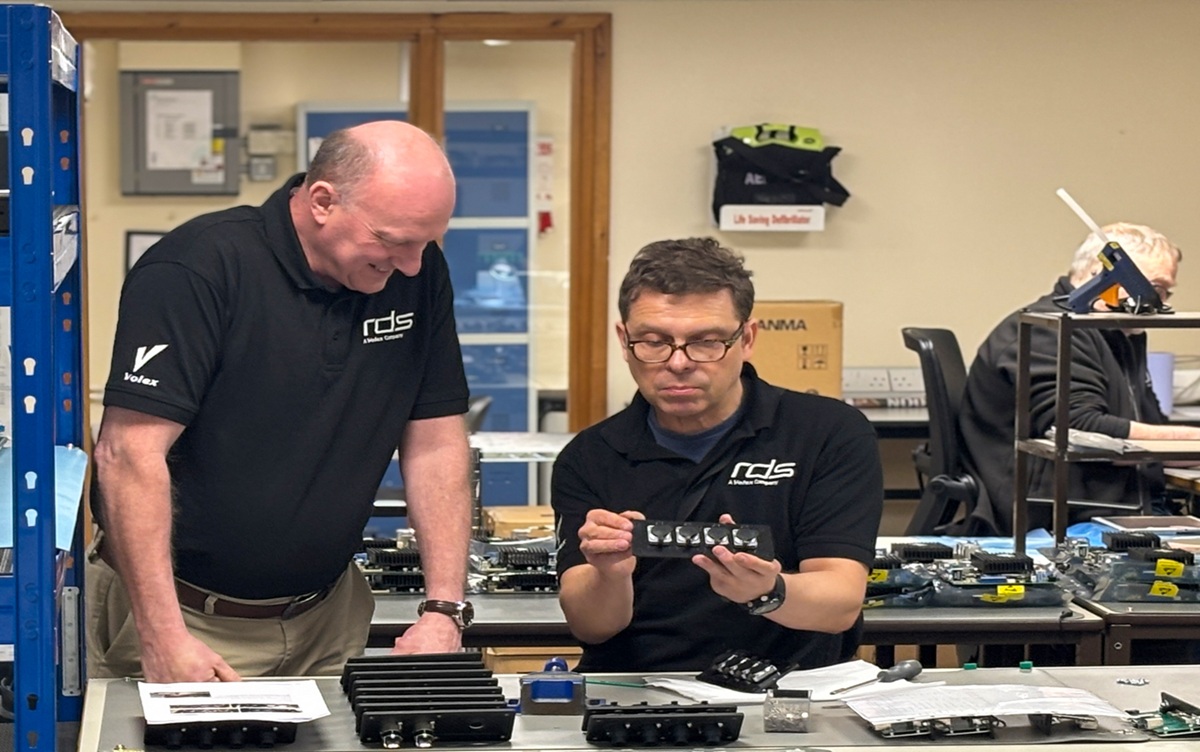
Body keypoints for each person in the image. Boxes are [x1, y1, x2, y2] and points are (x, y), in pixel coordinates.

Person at [87, 120, 475, 682]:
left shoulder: (414, 273)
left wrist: (444, 608)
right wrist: (162, 634)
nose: (413, 263)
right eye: (393, 240)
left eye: (427, 242)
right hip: (191, 622)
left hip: (330, 617)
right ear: (323, 202)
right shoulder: (196, 268)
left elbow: (436, 440)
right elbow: (127, 454)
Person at [551, 237, 883, 673]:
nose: (678, 363)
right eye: (653, 342)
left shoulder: (827, 433)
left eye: (706, 341)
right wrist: (610, 576)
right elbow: (591, 627)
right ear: (624, 339)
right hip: (640, 687)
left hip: (785, 688)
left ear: (747, 338)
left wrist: (767, 591)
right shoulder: (589, 457)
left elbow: (840, 602)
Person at [959, 222, 1200, 536]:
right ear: (1102, 277)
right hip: (1066, 518)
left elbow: (1149, 426)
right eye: (1154, 289)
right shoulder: (1049, 331)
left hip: (1120, 502)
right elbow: (1080, 427)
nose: (1159, 303)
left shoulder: (1119, 331)